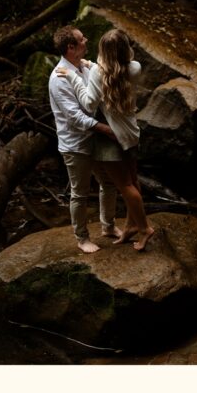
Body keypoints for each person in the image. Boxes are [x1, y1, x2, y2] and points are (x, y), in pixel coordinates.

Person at [62, 28, 154, 250]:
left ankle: (144, 229)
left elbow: (89, 104)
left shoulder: (98, 75)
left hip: (113, 137)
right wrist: (92, 66)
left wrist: (74, 76)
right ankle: (132, 225)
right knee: (133, 180)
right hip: (132, 133)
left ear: (104, 51)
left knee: (124, 185)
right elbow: (114, 69)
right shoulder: (134, 68)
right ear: (126, 49)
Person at [48, 25, 123, 253]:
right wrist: (107, 129)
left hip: (94, 139)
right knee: (80, 193)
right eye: (82, 39)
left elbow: (96, 92)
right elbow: (75, 117)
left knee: (108, 183)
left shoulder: (84, 66)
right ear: (71, 47)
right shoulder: (59, 78)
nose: (86, 40)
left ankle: (108, 226)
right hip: (75, 144)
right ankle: (82, 238)